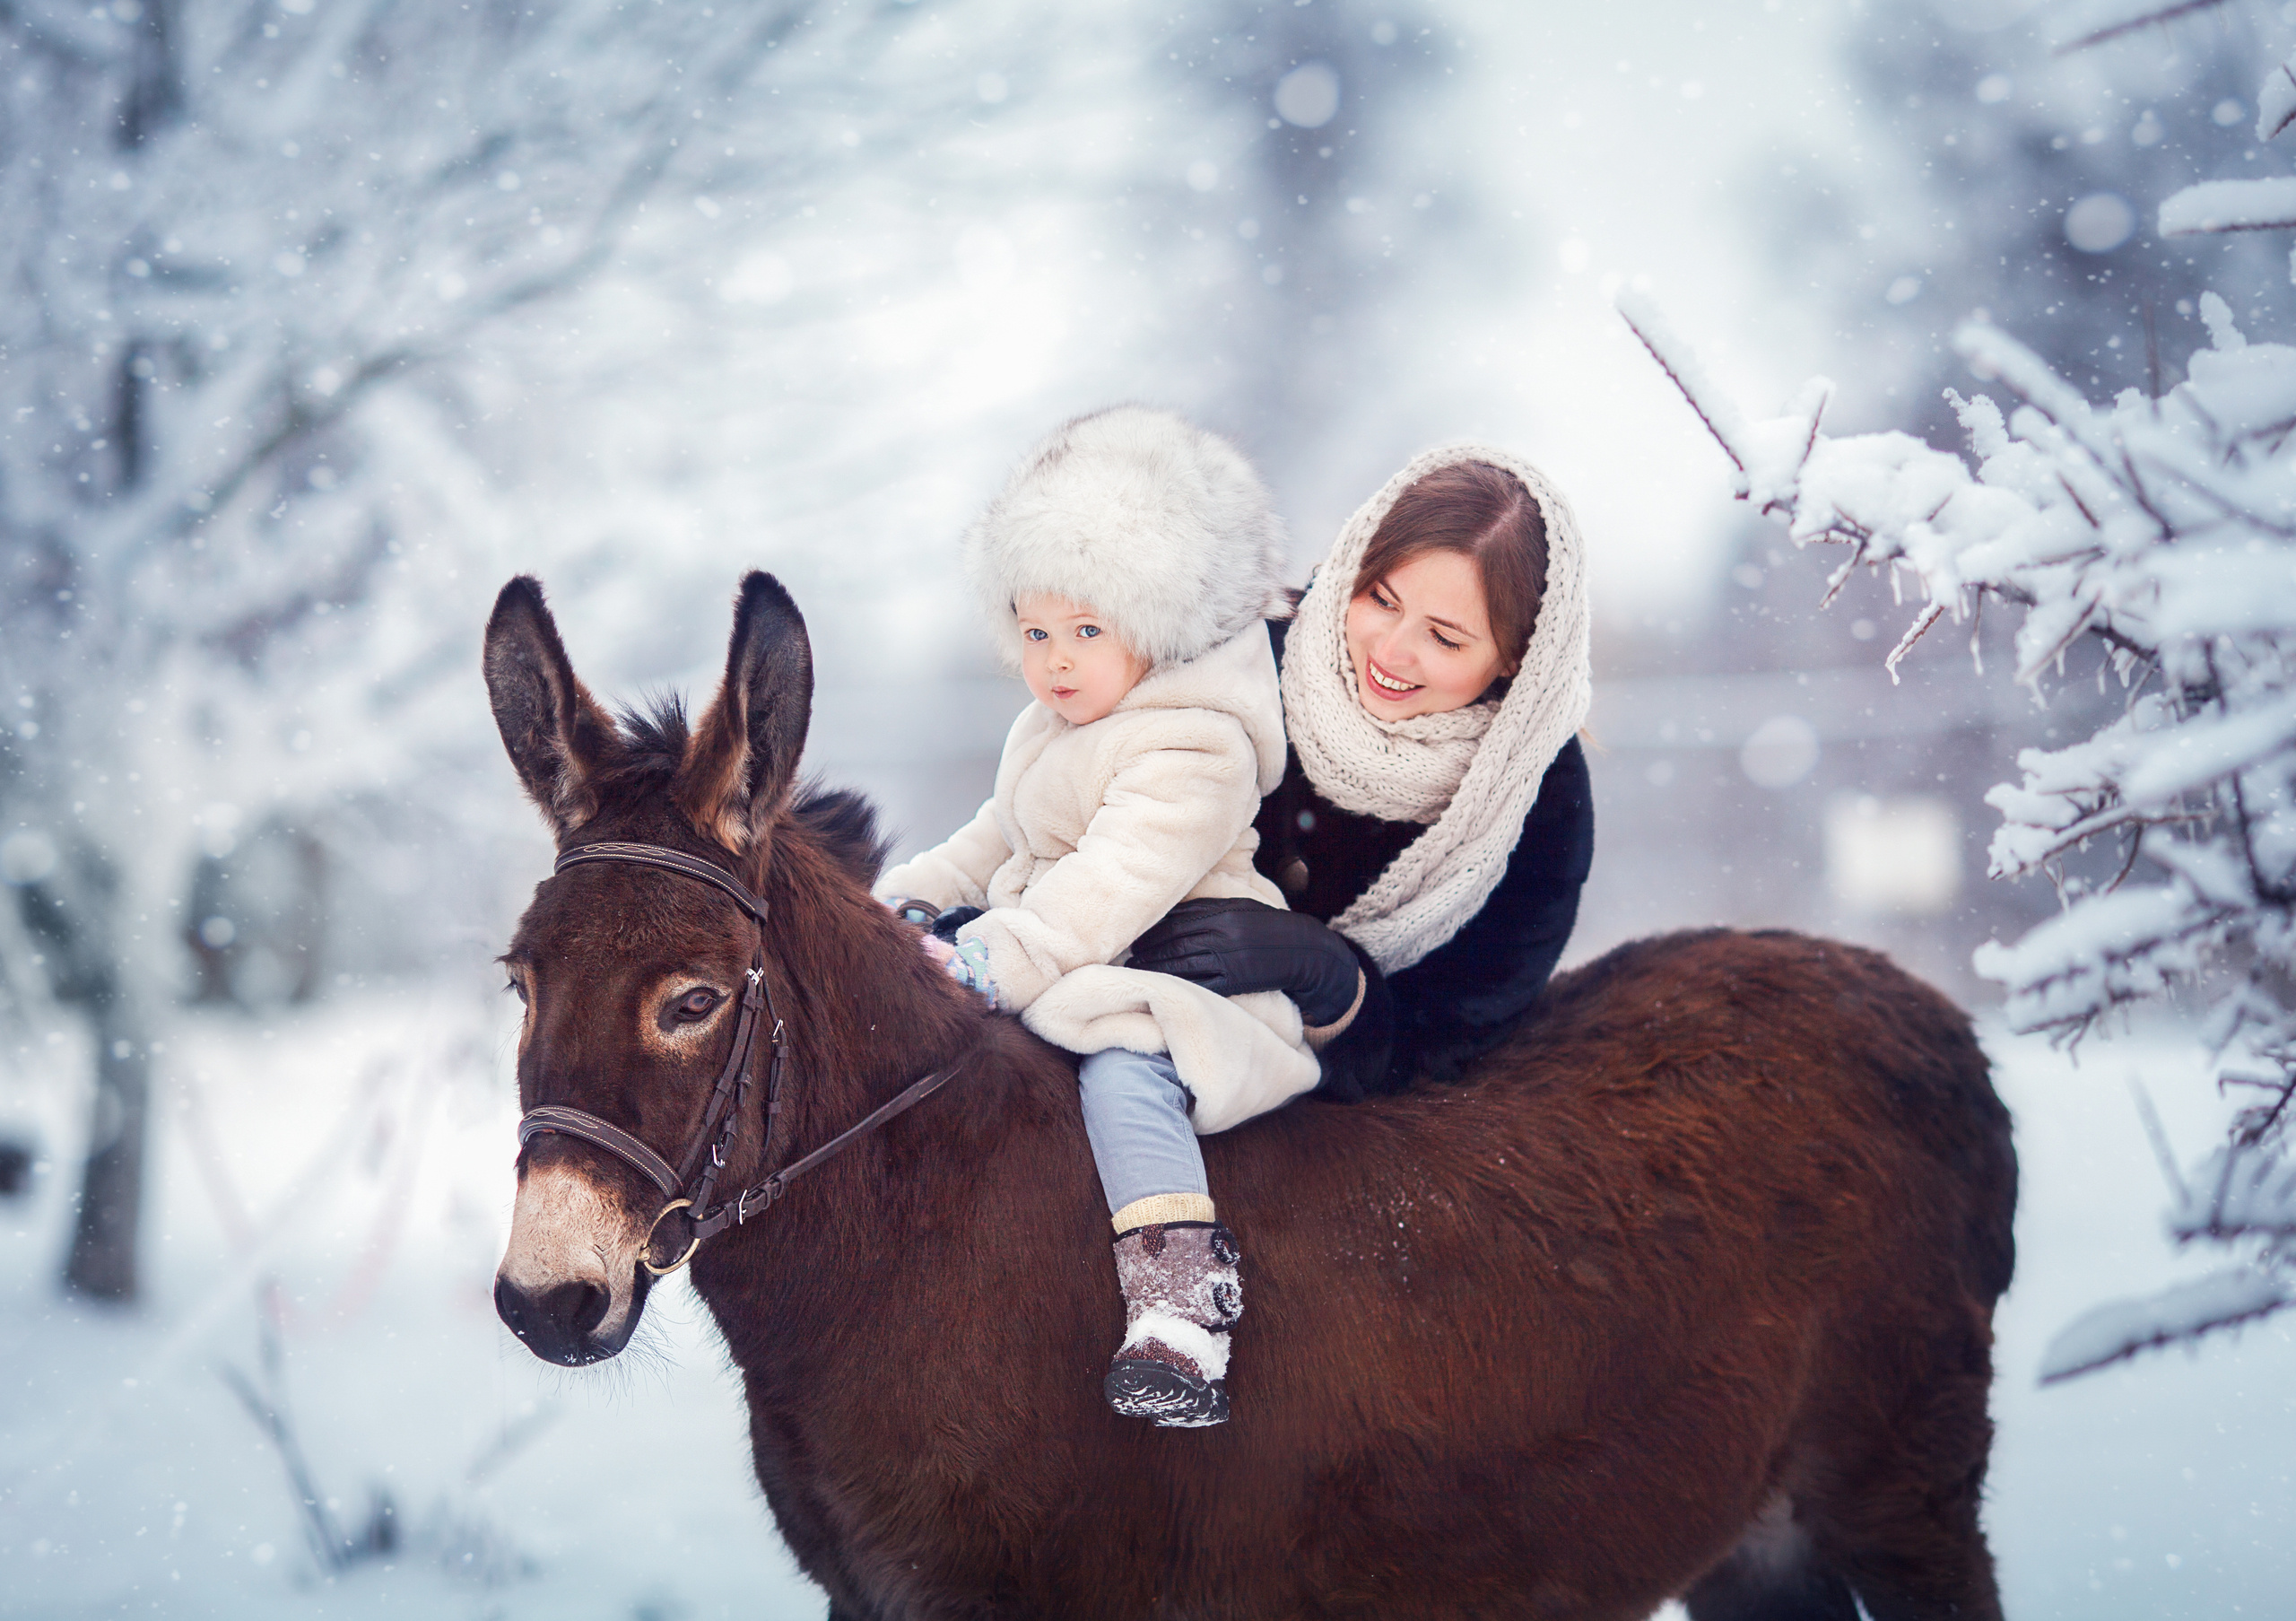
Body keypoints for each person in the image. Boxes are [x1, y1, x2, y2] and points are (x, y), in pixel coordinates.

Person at [873, 406, 1361, 1429]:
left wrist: (997, 957)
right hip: (1076, 961)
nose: (1055, 659)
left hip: (1177, 988)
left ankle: (1180, 1302)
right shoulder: (1056, 723)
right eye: (1038, 632)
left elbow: (1113, 880)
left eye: (1087, 631)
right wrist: (893, 906)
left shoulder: (1196, 743)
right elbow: (998, 836)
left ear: (1156, 624)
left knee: (1123, 1079)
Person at [1128, 447, 1595, 1102]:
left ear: (1517, 658)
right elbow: (1081, 804)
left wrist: (1333, 979)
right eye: (1381, 598)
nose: (1392, 650)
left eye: (1446, 638)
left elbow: (1456, 1034)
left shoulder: (1537, 790)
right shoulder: (1240, 658)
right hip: (1126, 1025)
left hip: (1325, 1133)